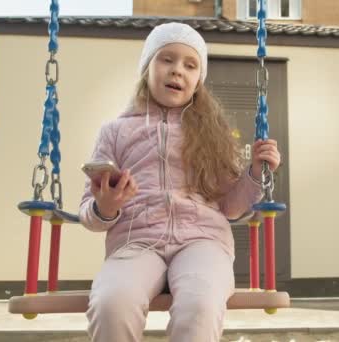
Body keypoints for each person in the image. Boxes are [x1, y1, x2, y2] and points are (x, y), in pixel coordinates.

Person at [79, 22, 281, 342]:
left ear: (198, 81)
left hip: (203, 242)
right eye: (166, 59)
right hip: (136, 241)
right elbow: (88, 214)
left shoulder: (212, 134)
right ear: (147, 67)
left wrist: (255, 172)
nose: (177, 71)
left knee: (200, 305)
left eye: (190, 65)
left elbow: (231, 206)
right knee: (111, 304)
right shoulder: (115, 132)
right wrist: (105, 207)